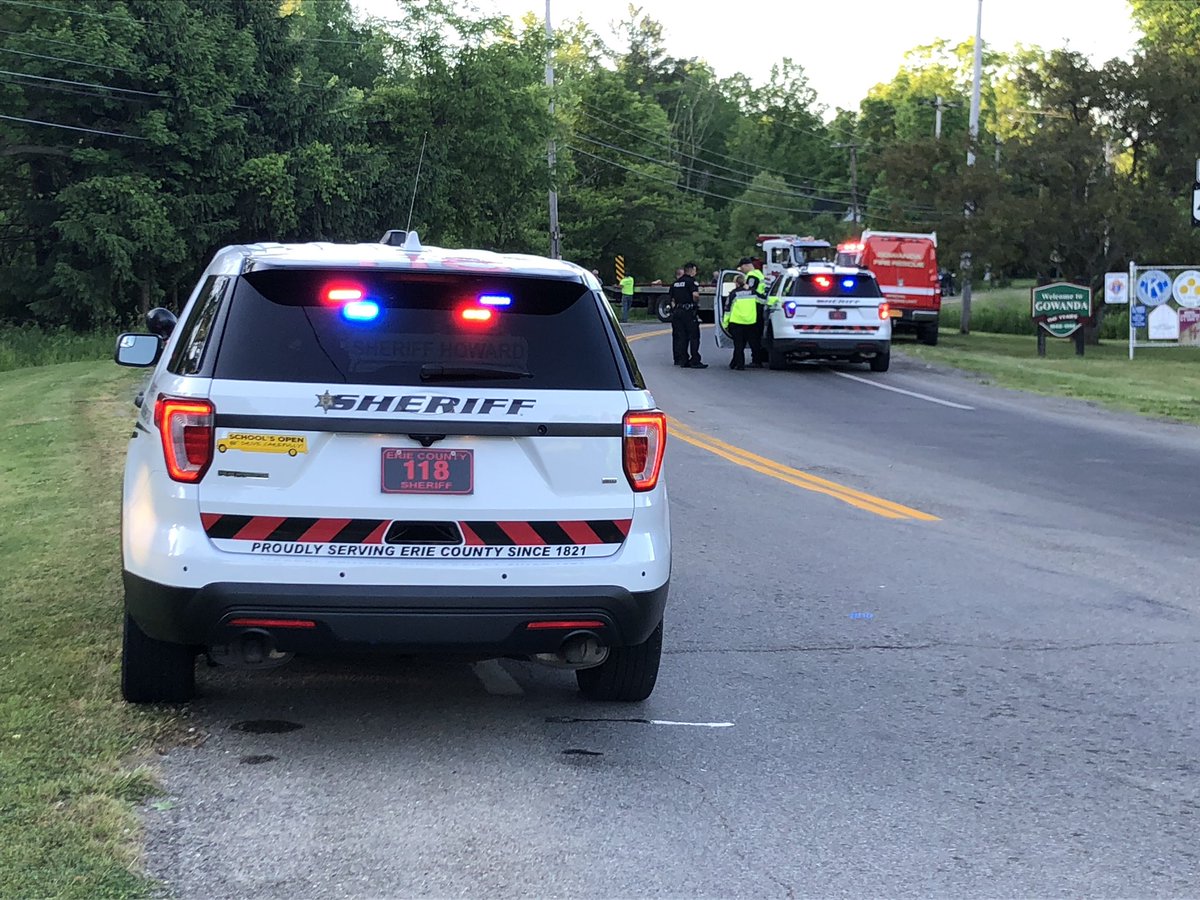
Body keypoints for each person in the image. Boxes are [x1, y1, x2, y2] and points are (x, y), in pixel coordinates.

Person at [669, 262, 707, 368]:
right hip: (688, 312)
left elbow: (672, 300)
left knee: (681, 337)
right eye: (695, 270)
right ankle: (695, 360)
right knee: (694, 336)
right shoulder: (691, 281)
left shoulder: (676, 283)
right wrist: (695, 303)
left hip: (677, 312)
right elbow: (695, 295)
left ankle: (682, 359)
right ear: (692, 270)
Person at [722, 274, 759, 370]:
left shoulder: (733, 294)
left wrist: (725, 324)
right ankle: (737, 363)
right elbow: (764, 300)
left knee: (738, 344)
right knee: (751, 343)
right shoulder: (752, 292)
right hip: (750, 322)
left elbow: (727, 309)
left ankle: (739, 364)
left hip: (737, 322)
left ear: (736, 283)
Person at [738, 256, 770, 366]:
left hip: (755, 307)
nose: (741, 270)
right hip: (760, 306)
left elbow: (750, 291)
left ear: (746, 266)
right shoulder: (759, 274)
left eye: (741, 268)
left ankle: (756, 360)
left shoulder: (751, 276)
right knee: (756, 334)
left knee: (753, 335)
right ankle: (759, 358)